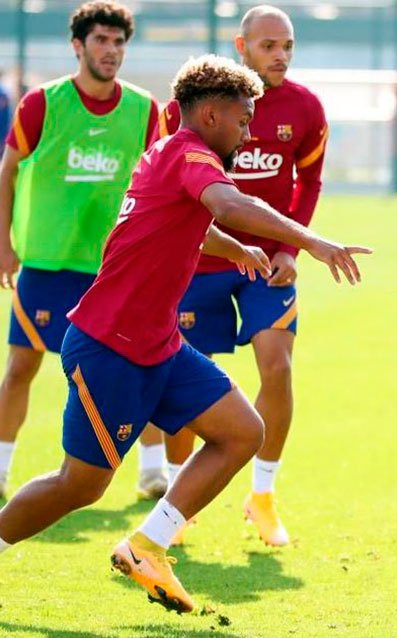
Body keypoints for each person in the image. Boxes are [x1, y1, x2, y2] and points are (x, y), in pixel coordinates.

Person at [0, 54, 368, 613]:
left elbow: (177, 224)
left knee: (243, 431)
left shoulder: (169, 156)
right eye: (244, 120)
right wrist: (312, 241)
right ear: (213, 115)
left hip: (160, 346)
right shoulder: (189, 153)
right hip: (109, 349)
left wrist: (232, 247)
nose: (248, 134)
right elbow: (228, 203)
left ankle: (147, 544)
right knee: (82, 485)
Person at [157, 4, 327, 547]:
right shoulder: (191, 110)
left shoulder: (306, 109)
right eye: (268, 46)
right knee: (186, 383)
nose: (280, 55)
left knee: (277, 367)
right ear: (241, 46)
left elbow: (309, 183)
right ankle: (177, 504)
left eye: (288, 47)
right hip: (198, 262)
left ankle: (263, 495)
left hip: (268, 265)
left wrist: (290, 249)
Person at [0, 1, 170, 503]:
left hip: (116, 269)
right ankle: (2, 470)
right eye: (101, 40)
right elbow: (7, 169)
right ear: (78, 45)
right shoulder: (42, 104)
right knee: (22, 367)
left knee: (144, 364)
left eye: (118, 42)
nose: (111, 50)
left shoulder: (144, 109)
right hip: (48, 263)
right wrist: (5, 245)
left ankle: (153, 472)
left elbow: (161, 180)